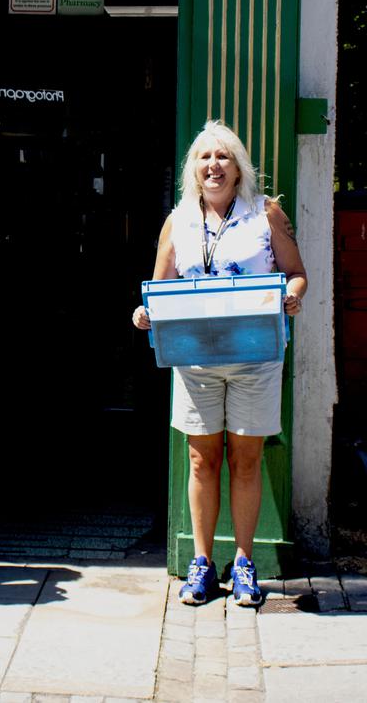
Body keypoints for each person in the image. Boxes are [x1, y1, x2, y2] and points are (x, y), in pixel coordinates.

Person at [132, 120, 307, 606]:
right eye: (205, 157)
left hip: (255, 357)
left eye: (223, 156)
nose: (214, 165)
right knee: (200, 459)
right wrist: (145, 313)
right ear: (193, 169)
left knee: (246, 460)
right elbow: (158, 290)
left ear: (238, 167)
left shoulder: (265, 213)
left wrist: (291, 297)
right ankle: (203, 564)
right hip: (196, 362)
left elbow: (296, 273)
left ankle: (245, 563)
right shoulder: (178, 221)